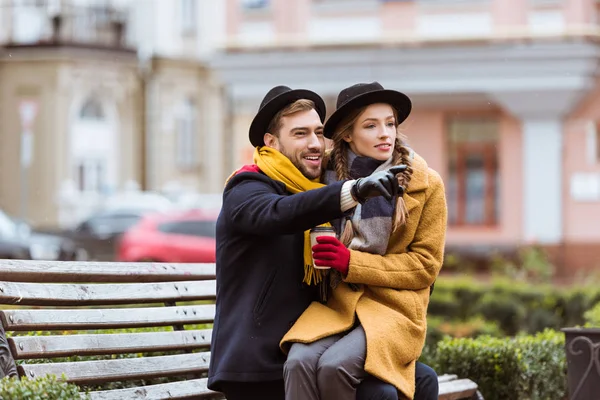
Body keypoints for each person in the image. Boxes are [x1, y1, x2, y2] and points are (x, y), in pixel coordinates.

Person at [207, 85, 407, 400]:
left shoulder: (314, 187)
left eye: (318, 133)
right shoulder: (247, 186)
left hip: (309, 351)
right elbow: (277, 213)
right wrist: (351, 191)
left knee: (416, 381)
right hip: (258, 366)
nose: (315, 143)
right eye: (300, 134)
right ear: (271, 142)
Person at [281, 82, 447, 400]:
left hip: (394, 310)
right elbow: (281, 175)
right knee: (298, 362)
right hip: (338, 305)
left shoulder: (424, 184)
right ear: (347, 134)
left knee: (335, 366)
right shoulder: (324, 177)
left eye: (390, 124)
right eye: (371, 126)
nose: (385, 133)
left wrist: (350, 262)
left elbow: (425, 266)